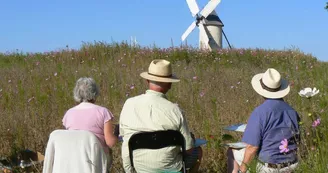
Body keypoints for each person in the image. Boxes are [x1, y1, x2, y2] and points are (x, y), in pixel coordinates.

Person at [119, 59, 202, 173]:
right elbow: (188, 149)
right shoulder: (175, 110)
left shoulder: (129, 104)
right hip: (171, 168)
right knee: (198, 151)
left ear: (147, 80)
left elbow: (124, 136)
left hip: (137, 168)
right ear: (170, 84)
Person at [227, 68, 300, 173]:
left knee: (232, 151)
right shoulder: (292, 111)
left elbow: (252, 147)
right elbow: (297, 141)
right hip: (293, 164)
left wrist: (242, 170)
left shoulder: (260, 112)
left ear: (262, 91)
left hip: (269, 167)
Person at [62, 77, 119, 170]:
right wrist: (117, 132)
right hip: (96, 161)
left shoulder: (68, 114)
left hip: (74, 160)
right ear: (95, 92)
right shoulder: (103, 112)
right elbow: (110, 143)